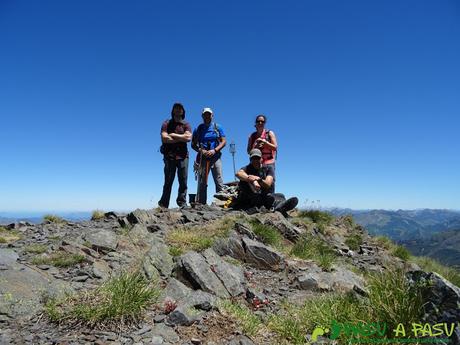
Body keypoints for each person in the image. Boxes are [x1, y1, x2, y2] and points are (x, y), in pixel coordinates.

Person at [234, 149, 298, 216]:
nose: (256, 160)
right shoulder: (247, 168)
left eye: (257, 158)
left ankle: (279, 206)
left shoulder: (269, 168)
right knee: (243, 181)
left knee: (280, 195)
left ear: (261, 159)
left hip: (264, 195)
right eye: (253, 158)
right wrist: (252, 179)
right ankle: (272, 206)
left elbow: (268, 184)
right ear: (250, 159)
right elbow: (238, 174)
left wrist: (258, 180)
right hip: (252, 196)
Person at [158, 103, 192, 208]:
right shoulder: (166, 123)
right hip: (169, 156)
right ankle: (164, 204)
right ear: (172, 111)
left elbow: (188, 138)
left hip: (183, 156)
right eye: (175, 108)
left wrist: (173, 135)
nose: (178, 110)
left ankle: (182, 202)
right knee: (168, 181)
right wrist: (181, 138)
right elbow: (164, 138)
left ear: (183, 111)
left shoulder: (186, 124)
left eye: (180, 109)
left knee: (183, 181)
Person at [192, 107, 226, 204]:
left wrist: (214, 150)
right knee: (202, 181)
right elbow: (193, 145)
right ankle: (202, 204)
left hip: (215, 157)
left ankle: (221, 203)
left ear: (212, 115)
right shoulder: (198, 129)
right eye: (205, 114)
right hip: (203, 158)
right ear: (202, 116)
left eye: (209, 114)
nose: (207, 116)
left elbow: (224, 142)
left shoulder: (217, 127)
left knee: (218, 179)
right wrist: (201, 151)